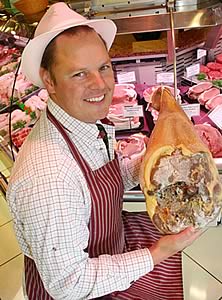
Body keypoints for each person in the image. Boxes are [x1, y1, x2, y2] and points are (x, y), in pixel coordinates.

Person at [7, 3, 202, 300]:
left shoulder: (80, 122)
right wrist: (156, 253)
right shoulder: (48, 179)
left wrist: (154, 160)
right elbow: (68, 284)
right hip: (87, 286)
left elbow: (104, 180)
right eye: (79, 74)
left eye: (103, 67)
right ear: (49, 80)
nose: (100, 84)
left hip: (111, 242)